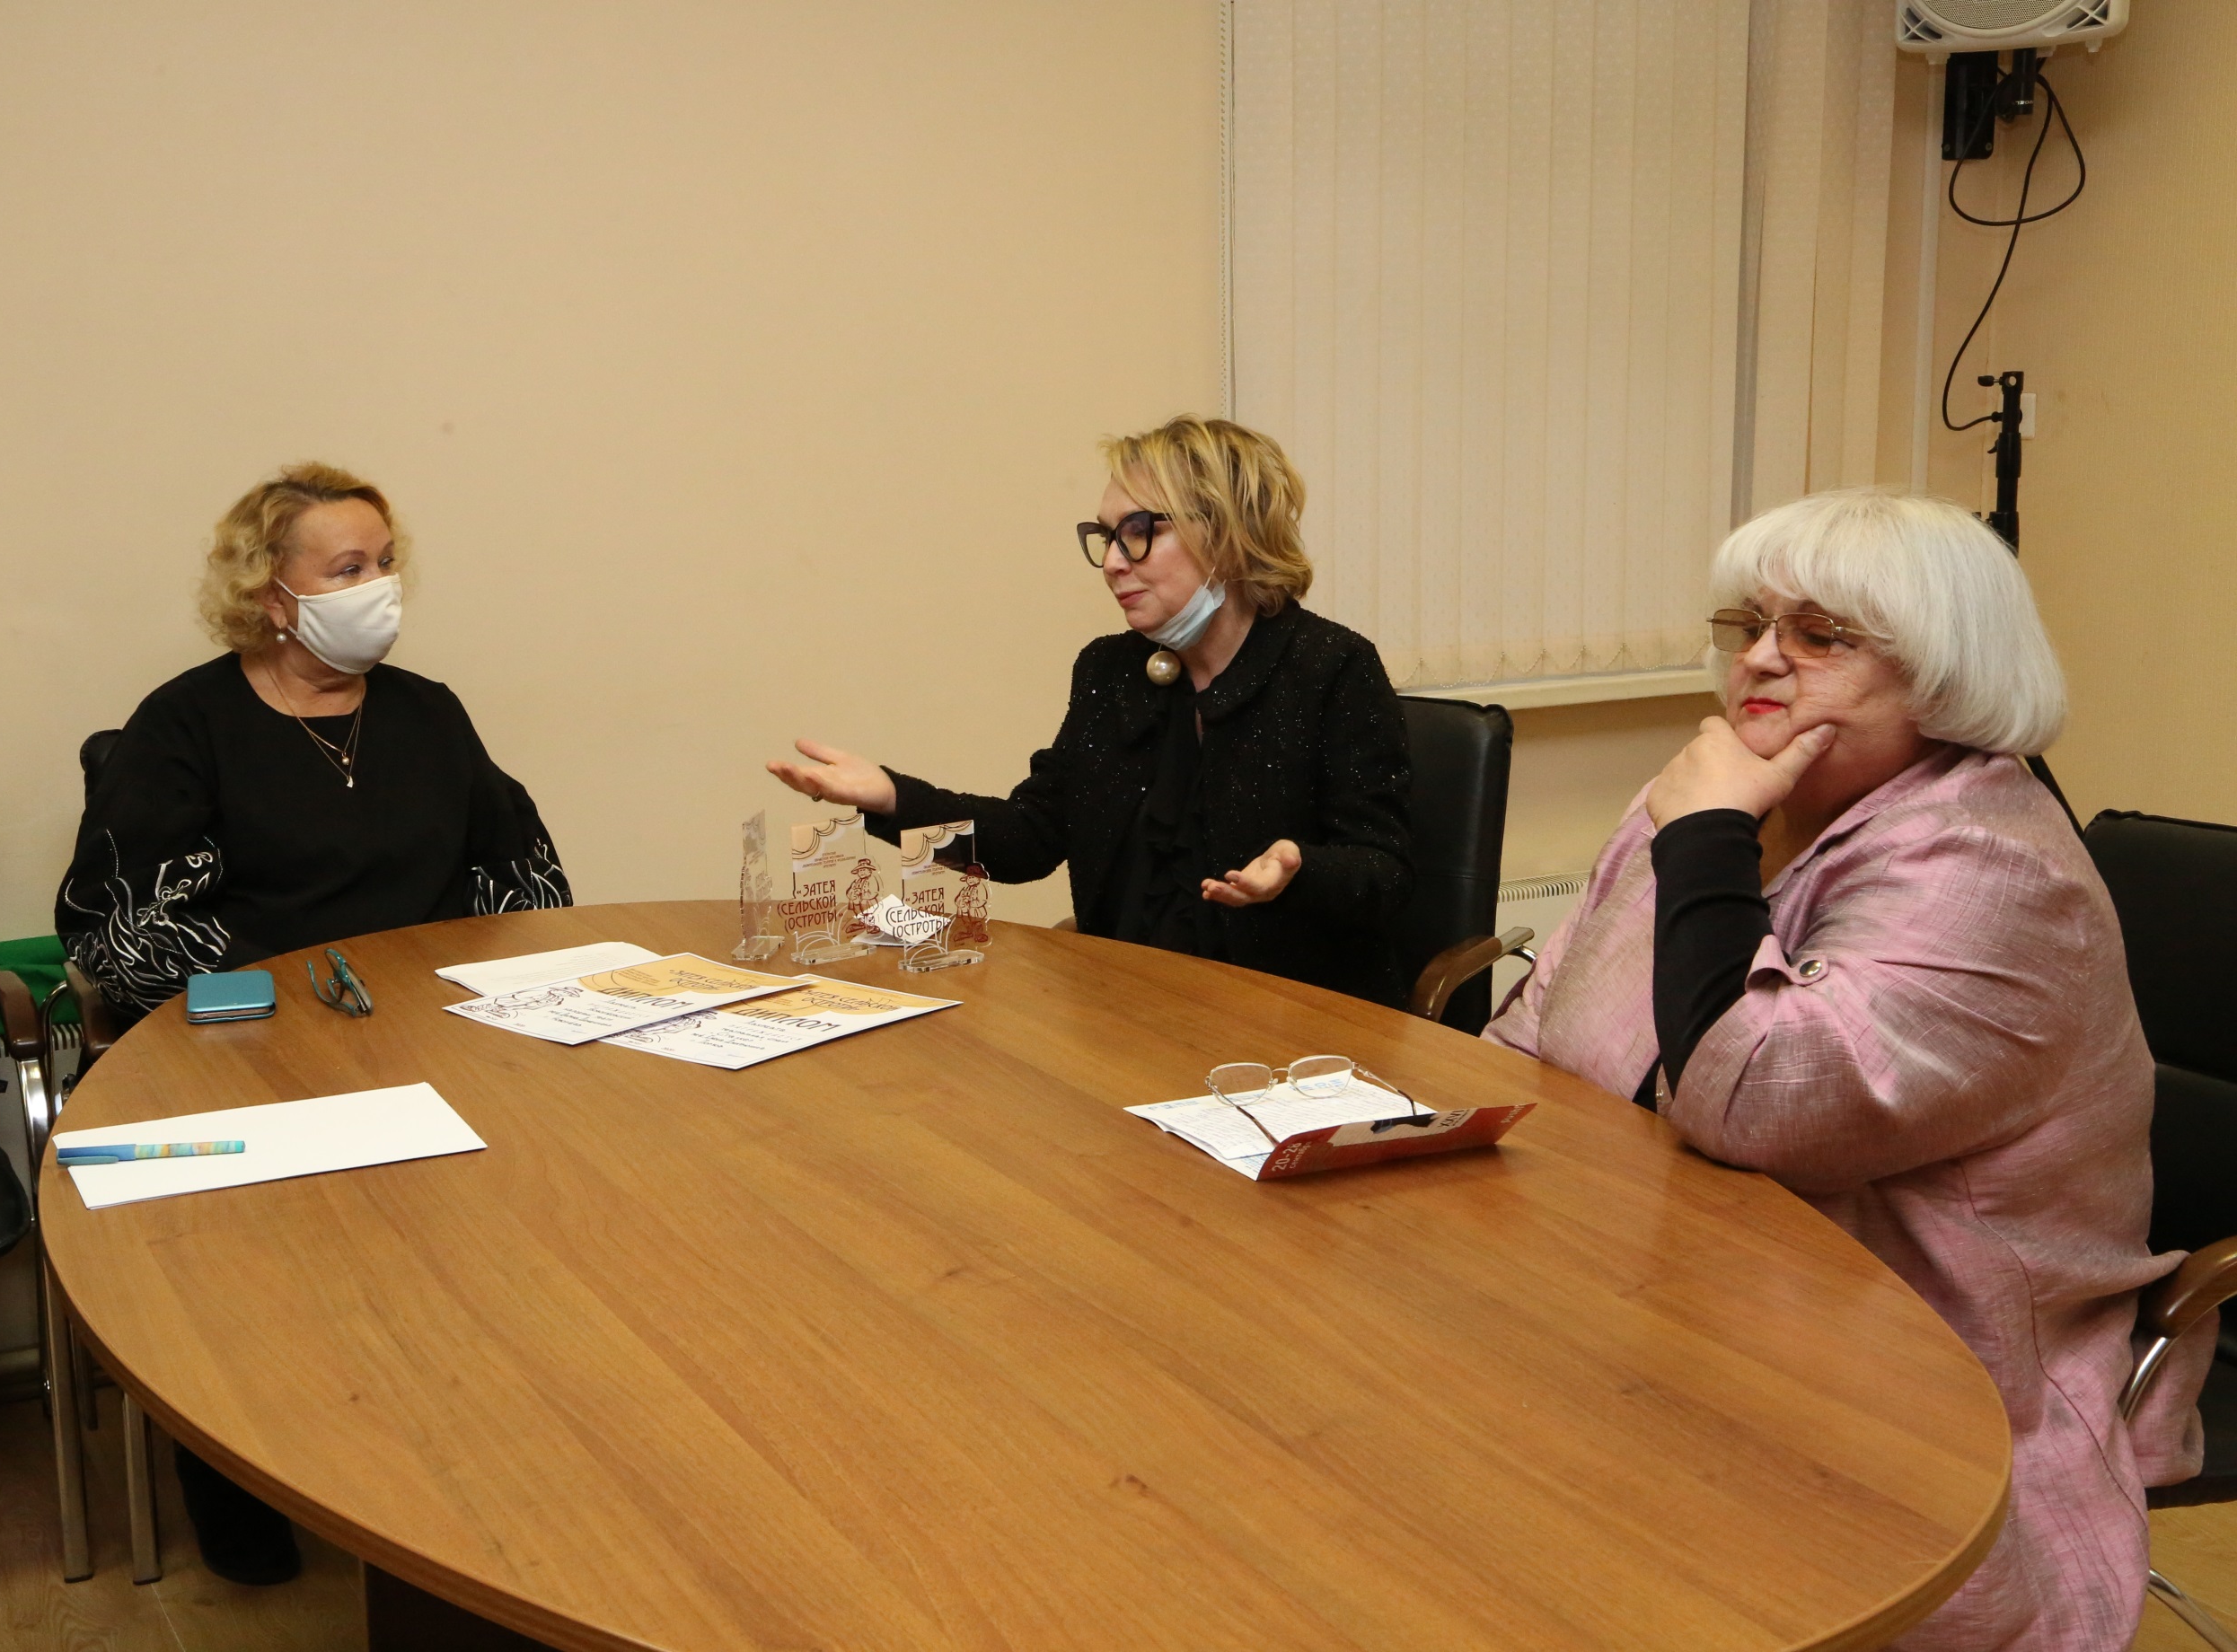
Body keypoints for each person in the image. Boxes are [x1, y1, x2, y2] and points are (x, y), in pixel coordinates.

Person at [1484, 488, 2206, 1650]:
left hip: (1924, 1384)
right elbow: (1535, 1031)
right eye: (1750, 624)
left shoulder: (1987, 863)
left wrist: (1706, 838)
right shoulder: (1719, 794)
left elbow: (1758, 1104)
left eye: (1820, 635)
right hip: (1661, 1285)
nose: (1762, 658)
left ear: (1944, 671)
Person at [56, 461, 571, 1584]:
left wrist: (473, 995)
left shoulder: (429, 713)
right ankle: (248, 1480)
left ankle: (461, 1470)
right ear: (271, 592)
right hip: (249, 1048)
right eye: (347, 568)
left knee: (530, 1214)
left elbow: (525, 875)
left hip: (432, 1037)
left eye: (384, 563)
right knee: (262, 1283)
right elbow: (118, 926)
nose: (378, 587)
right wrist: (283, 1003)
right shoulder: (185, 726)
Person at [768, 416, 1417, 1006]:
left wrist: (1299, 869)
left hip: (1291, 1023)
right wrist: (890, 797)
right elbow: (1030, 840)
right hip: (1126, 1010)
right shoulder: (1110, 670)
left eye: (1136, 533)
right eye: (1106, 537)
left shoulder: (1332, 667)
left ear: (1224, 534)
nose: (1110, 563)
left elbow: (1385, 875)